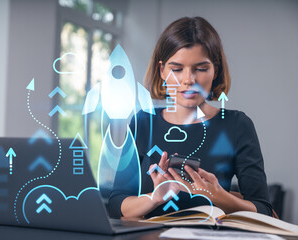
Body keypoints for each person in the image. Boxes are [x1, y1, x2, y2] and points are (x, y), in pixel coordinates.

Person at [107, 16, 273, 219]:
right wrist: (155, 198)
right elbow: (116, 204)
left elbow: (264, 210)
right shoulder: (143, 122)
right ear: (162, 71)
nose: (188, 80)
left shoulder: (237, 125)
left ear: (215, 71)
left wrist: (219, 196)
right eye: (176, 69)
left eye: (201, 69)